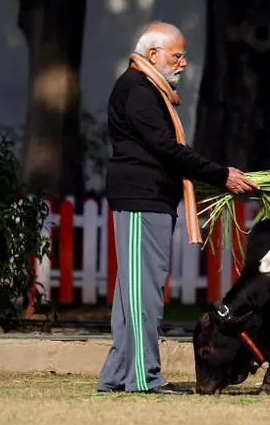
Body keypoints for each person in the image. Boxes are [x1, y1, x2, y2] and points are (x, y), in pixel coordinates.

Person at [97, 22, 259, 395]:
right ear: (153, 54)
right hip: (142, 199)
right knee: (143, 296)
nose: (184, 63)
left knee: (132, 295)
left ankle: (116, 377)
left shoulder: (147, 89)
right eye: (177, 55)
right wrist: (222, 175)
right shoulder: (138, 90)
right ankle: (144, 378)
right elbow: (166, 149)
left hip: (149, 200)